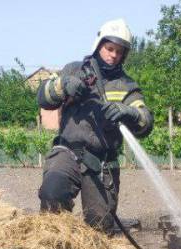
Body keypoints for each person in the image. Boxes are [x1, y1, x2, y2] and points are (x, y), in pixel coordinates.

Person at [37, 19, 153, 232]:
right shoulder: (73, 70)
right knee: (53, 193)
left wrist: (130, 112)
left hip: (102, 165)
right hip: (68, 151)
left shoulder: (127, 85)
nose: (113, 55)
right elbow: (43, 98)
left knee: (100, 226)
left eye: (119, 51)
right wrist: (63, 86)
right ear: (99, 44)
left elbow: (145, 121)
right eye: (109, 48)